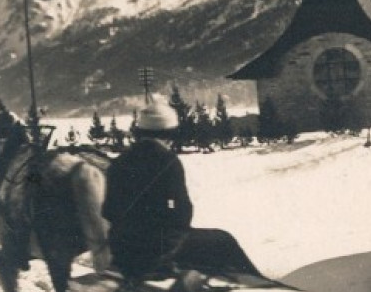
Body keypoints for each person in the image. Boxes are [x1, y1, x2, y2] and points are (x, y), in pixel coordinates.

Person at [101, 98, 261, 280]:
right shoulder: (166, 161)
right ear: (169, 134)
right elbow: (181, 213)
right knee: (222, 240)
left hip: (122, 254)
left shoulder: (118, 162)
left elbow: (108, 211)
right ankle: (258, 283)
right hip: (154, 255)